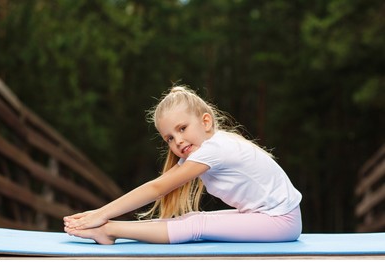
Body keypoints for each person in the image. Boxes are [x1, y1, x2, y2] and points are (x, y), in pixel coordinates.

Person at [64, 85, 302, 244]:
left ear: (206, 121)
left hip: (281, 220)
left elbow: (157, 189)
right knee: (192, 219)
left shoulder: (215, 149)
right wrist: (101, 215)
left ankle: (109, 230)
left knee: (197, 224)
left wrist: (101, 214)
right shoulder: (206, 150)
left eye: (182, 128)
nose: (177, 141)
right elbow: (158, 185)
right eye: (169, 138)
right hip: (266, 216)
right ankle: (109, 229)